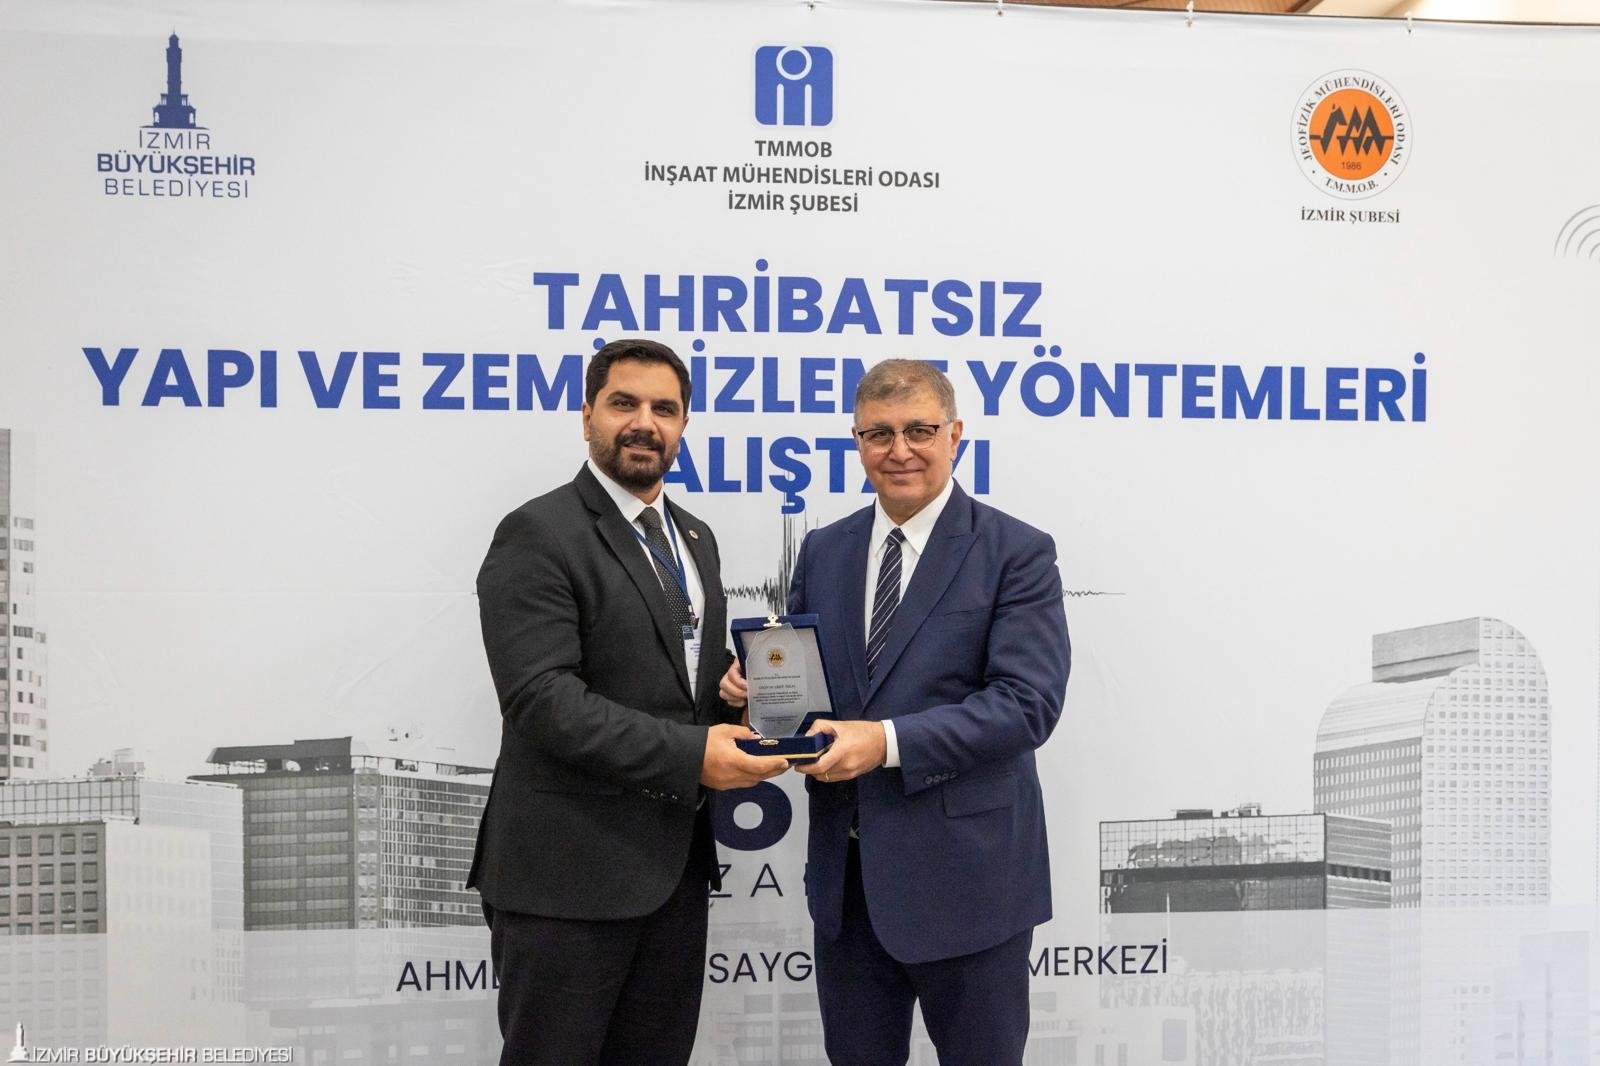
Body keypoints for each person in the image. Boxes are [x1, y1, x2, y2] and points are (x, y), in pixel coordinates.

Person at [721, 359, 1070, 1066]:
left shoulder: (1016, 552)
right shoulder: (825, 549)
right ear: (857, 441)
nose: (899, 450)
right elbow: (811, 686)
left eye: (919, 430)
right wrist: (757, 686)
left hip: (971, 887)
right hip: (848, 891)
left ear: (955, 435)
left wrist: (882, 742)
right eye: (879, 433)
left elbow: (1026, 704)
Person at [470, 338, 789, 1066]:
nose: (645, 423)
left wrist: (732, 694)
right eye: (624, 403)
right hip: (566, 878)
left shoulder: (695, 537)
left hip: (672, 873)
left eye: (664, 409)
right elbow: (540, 698)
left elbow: (676, 679)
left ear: (683, 426)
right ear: (588, 416)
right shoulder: (538, 532)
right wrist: (695, 753)